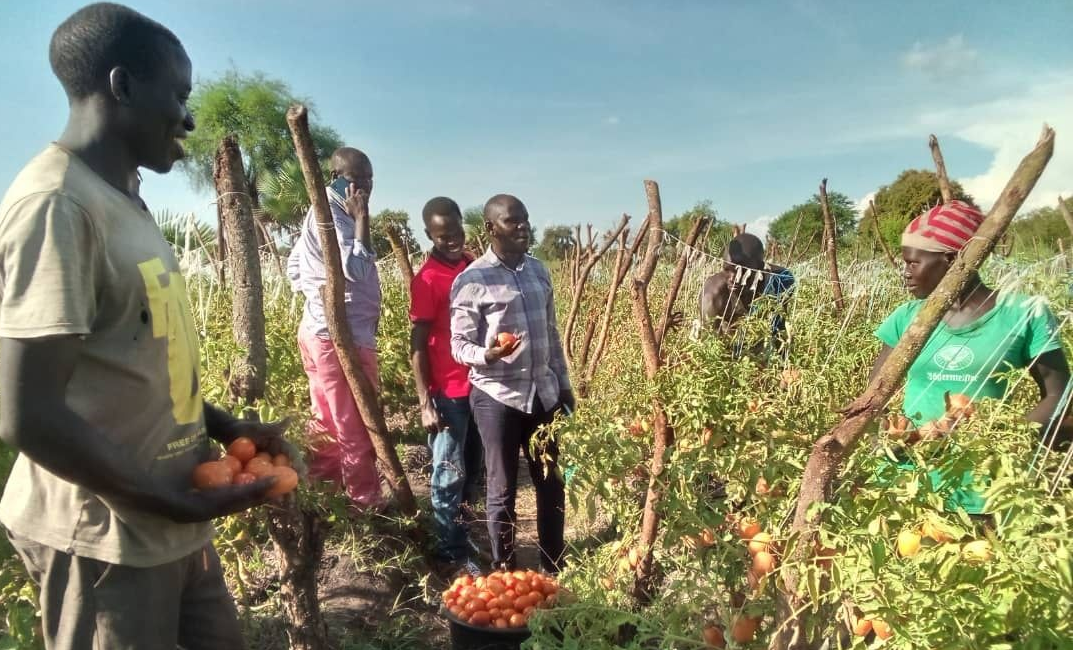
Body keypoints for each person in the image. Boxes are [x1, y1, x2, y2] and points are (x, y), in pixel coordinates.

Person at [0, 4, 294, 648]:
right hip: (104, 541)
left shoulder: (124, 198)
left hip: (173, 524)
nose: (189, 117)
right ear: (122, 86)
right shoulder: (57, 206)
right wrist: (169, 505)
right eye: (180, 95)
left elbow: (138, 354)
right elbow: (28, 416)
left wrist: (223, 426)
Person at [868, 200, 1071, 514]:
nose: (904, 273)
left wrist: (1003, 439)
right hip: (906, 482)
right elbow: (873, 397)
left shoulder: (1023, 313)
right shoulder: (905, 317)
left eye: (913, 263)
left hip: (984, 484)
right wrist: (897, 433)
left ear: (950, 260)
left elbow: (1060, 394)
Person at [450, 194, 574, 574]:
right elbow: (459, 344)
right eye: (512, 221)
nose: (523, 227)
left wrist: (564, 386)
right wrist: (487, 354)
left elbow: (551, 335)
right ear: (491, 228)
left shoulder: (539, 271)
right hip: (497, 396)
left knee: (551, 482)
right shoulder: (472, 280)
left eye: (525, 219)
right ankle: (505, 568)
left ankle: (553, 564)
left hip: (543, 392)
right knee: (502, 488)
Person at [287, 147, 385, 511]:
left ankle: (323, 497)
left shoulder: (318, 209)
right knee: (356, 424)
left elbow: (294, 265)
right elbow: (356, 270)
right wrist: (362, 219)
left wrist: (314, 296)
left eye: (370, 181)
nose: (365, 189)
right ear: (337, 177)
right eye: (358, 181)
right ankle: (366, 504)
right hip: (341, 337)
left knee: (327, 419)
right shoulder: (337, 214)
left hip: (318, 330)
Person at [409, 197, 484, 575]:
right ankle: (448, 553)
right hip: (448, 391)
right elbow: (418, 346)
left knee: (472, 470)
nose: (452, 240)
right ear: (429, 235)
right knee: (448, 473)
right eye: (443, 236)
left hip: (477, 385)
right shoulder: (426, 280)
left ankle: (461, 535)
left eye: (456, 231)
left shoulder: (471, 263)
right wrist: (425, 401)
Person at [698, 232, 795, 357]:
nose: (734, 278)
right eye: (727, 269)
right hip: (725, 348)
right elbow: (709, 348)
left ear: (759, 268)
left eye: (742, 271)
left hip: (758, 348)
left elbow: (779, 329)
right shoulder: (713, 296)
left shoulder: (781, 281)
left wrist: (784, 364)